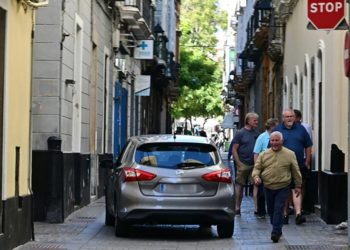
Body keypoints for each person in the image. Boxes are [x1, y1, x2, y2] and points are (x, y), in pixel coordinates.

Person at [252, 131, 302, 243]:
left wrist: (298, 185)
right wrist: (256, 177)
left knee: (278, 208)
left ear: (282, 141)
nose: (274, 143)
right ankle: (277, 228)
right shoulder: (264, 154)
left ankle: (275, 231)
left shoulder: (290, 154)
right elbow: (257, 168)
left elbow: (296, 171)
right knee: (270, 210)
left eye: (277, 140)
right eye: (272, 140)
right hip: (268, 186)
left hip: (283, 186)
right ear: (270, 141)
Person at [273, 109, 312, 225]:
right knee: (284, 190)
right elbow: (272, 146)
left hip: (299, 164)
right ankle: (285, 214)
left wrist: (307, 161)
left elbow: (308, 145)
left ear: (295, 117)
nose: (289, 119)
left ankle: (298, 214)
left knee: (297, 188)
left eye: (291, 116)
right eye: (287, 117)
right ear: (283, 118)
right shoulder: (278, 130)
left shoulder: (301, 129)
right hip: (282, 166)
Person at [232, 112, 259, 216]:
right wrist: (238, 163)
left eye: (257, 120)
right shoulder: (240, 133)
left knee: (256, 184)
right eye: (255, 120)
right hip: (243, 163)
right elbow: (234, 149)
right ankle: (237, 207)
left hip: (254, 164)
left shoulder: (256, 133)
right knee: (240, 186)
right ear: (248, 121)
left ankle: (257, 208)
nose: (256, 122)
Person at [252, 118, 279, 217]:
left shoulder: (277, 137)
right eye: (276, 126)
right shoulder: (262, 137)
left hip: (275, 167)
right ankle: (261, 211)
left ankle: (272, 209)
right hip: (264, 167)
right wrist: (257, 169)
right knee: (262, 190)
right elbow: (256, 153)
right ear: (272, 127)